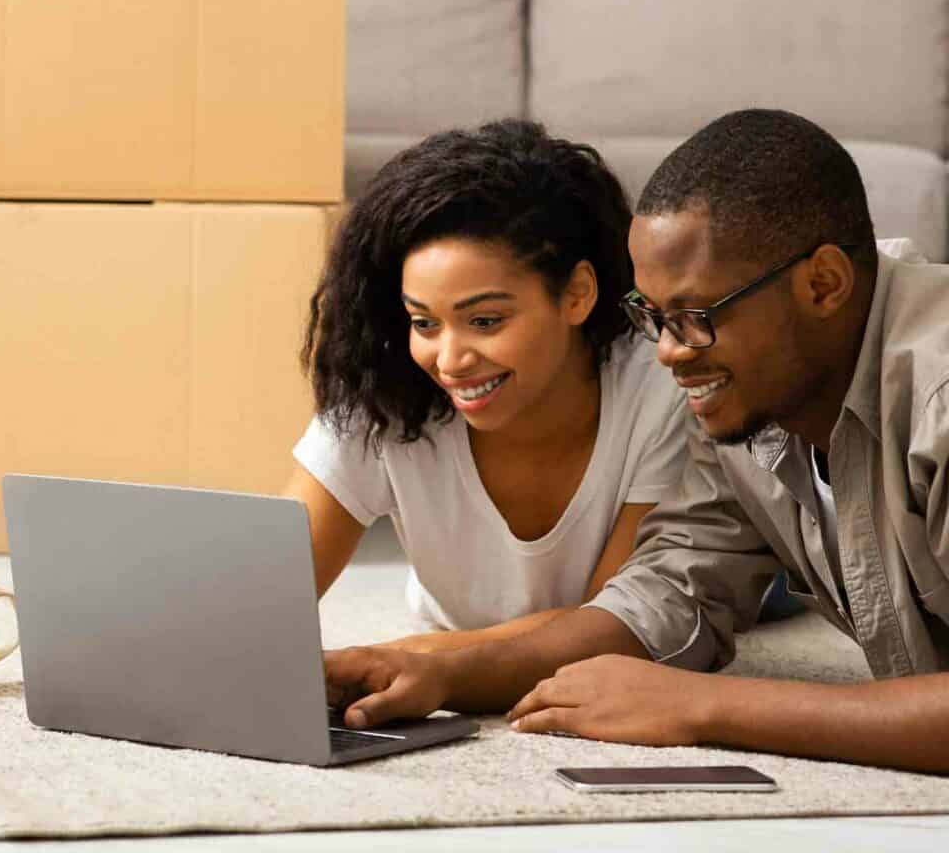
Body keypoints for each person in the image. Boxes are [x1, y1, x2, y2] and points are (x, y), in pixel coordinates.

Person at [323, 109, 949, 774]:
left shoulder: (936, 395)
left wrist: (708, 706)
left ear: (823, 284)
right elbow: (667, 593)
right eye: (653, 317)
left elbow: (689, 683)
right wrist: (446, 671)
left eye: (696, 317)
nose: (670, 353)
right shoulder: (748, 400)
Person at [287, 119, 688, 652]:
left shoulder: (660, 389)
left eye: (485, 322)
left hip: (719, 545)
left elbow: (613, 631)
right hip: (462, 645)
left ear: (577, 295)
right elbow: (267, 599)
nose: (450, 361)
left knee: (744, 573)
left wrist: (409, 657)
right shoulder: (386, 392)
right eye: (424, 323)